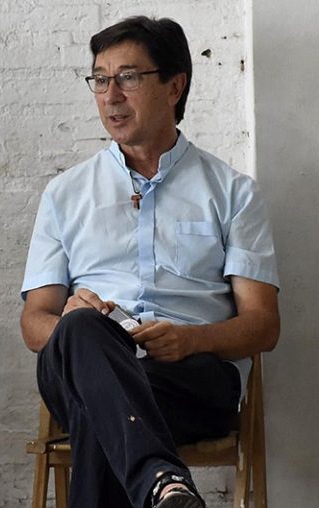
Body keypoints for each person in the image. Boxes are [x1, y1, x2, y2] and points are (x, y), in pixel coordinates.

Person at [20, 16, 279, 508]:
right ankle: (163, 482)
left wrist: (191, 340)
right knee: (84, 332)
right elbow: (34, 324)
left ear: (174, 86)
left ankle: (161, 482)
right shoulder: (65, 194)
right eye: (100, 80)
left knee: (103, 410)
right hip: (81, 366)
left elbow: (263, 325)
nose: (111, 96)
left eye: (128, 77)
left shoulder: (233, 193)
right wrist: (74, 325)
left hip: (188, 378)